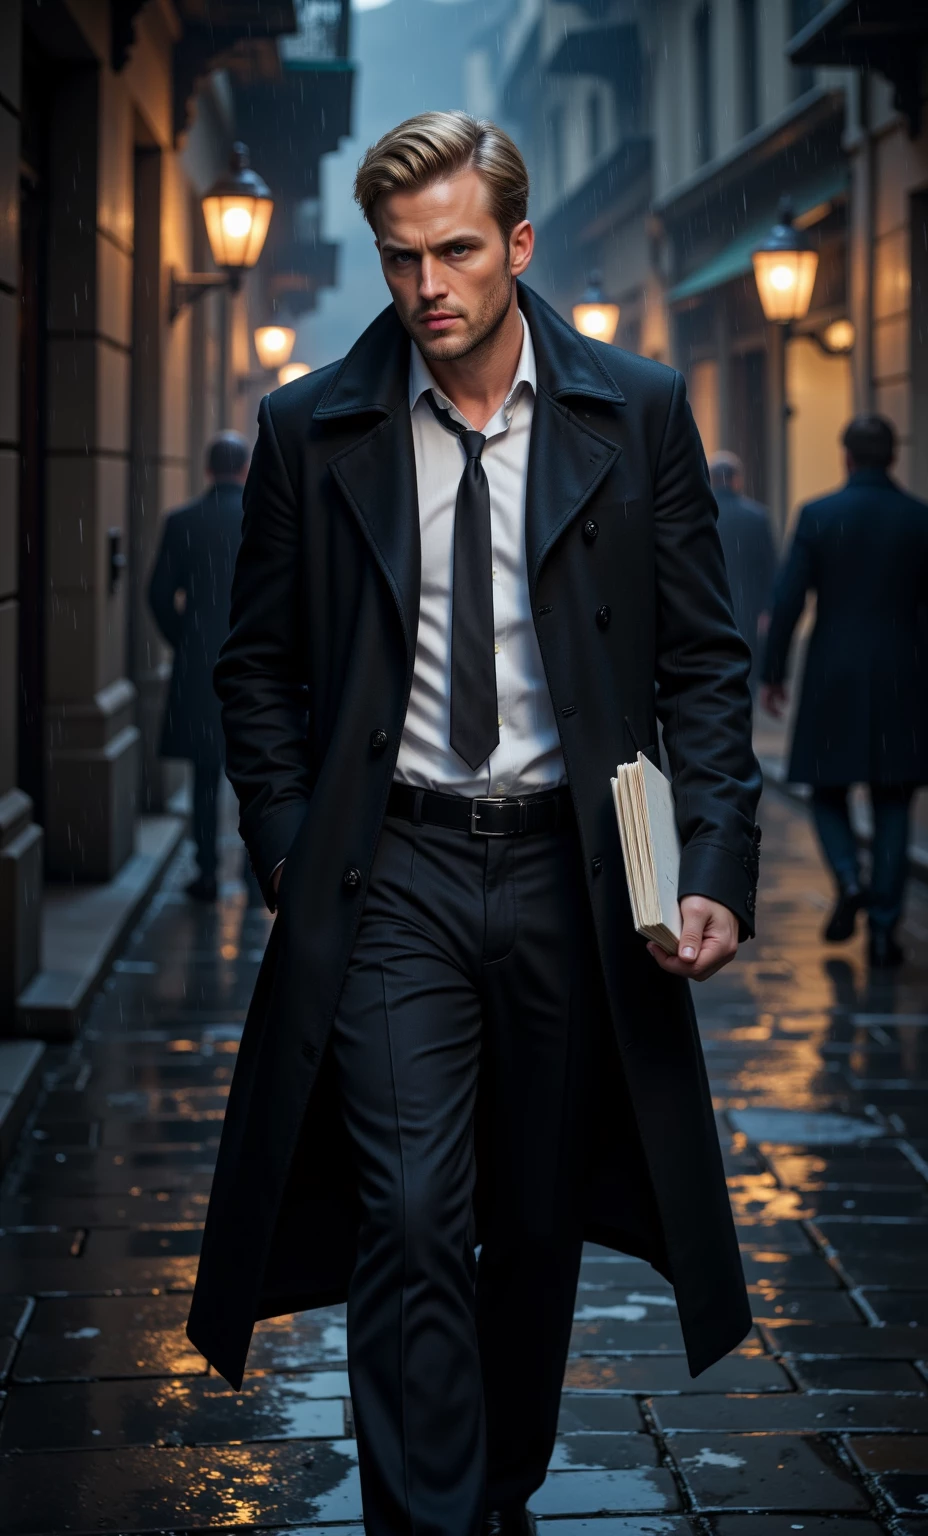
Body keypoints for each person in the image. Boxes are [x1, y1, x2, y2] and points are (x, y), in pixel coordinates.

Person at [186, 112, 761, 1536]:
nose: (428, 285)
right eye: (401, 259)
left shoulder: (633, 410)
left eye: (455, 251)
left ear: (515, 245)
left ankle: (493, 1490)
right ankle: (430, 1523)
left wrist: (716, 864)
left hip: (579, 871)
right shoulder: (309, 427)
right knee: (412, 1216)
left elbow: (703, 660)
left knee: (536, 1221)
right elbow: (251, 668)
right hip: (397, 869)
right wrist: (280, 846)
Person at [762, 414, 928, 969]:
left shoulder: (820, 515)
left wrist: (772, 672)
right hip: (904, 672)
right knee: (894, 799)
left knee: (827, 791)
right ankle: (883, 928)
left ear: (847, 457)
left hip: (834, 672)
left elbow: (787, 600)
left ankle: (850, 877)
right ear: (893, 456)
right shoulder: (922, 521)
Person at [148, 431, 248, 901]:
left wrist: (187, 640)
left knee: (204, 777)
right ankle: (253, 871)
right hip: (255, 668)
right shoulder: (262, 518)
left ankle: (206, 872)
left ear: (208, 469)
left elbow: (158, 596)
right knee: (255, 775)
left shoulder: (184, 520)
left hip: (202, 667)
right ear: (245, 469)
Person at [708, 450, 776, 685]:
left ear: (711, 479)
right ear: (737, 479)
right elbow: (770, 566)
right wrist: (768, 607)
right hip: (748, 605)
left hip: (709, 602)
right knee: (746, 669)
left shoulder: (699, 513)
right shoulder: (757, 516)